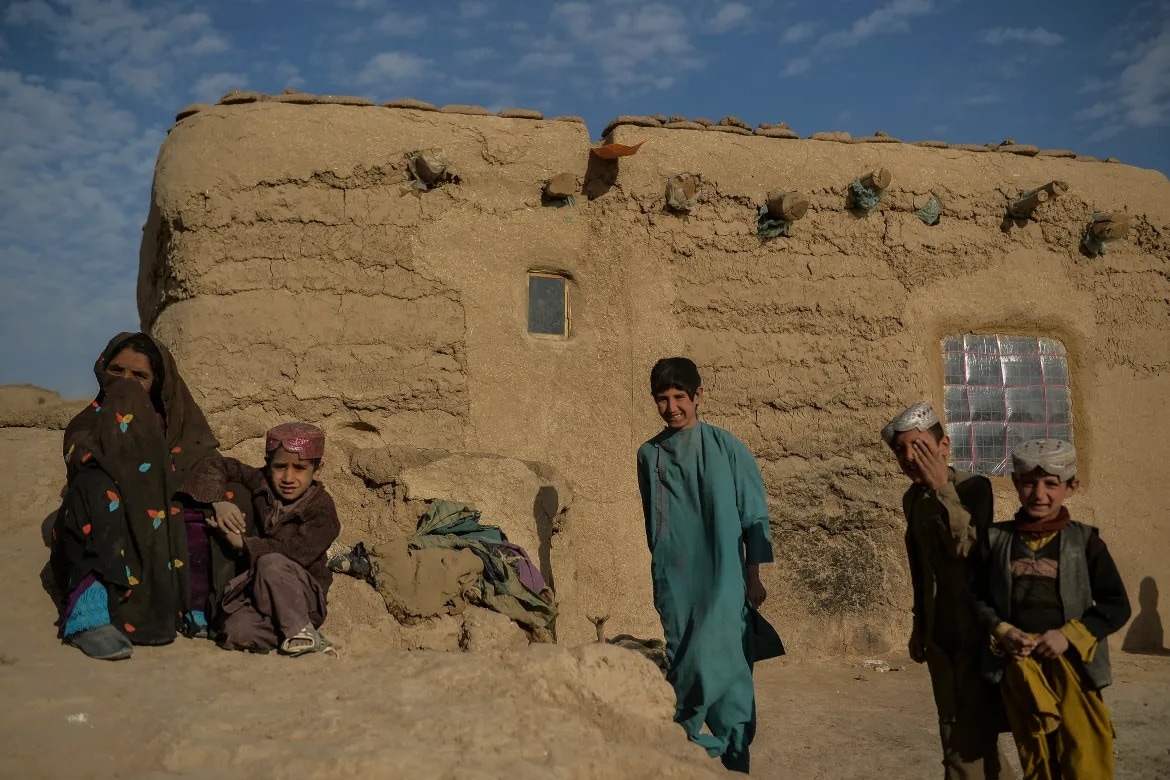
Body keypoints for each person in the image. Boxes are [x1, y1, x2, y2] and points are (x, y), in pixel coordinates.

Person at [635, 357, 772, 774]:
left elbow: (754, 515)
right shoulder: (648, 455)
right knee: (684, 655)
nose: (672, 407)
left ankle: (734, 748)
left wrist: (753, 576)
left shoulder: (726, 447)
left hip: (725, 574)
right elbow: (654, 521)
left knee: (726, 660)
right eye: (662, 399)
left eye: (680, 397)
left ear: (698, 396)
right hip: (675, 577)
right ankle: (687, 745)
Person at [50, 332, 222, 660]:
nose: (126, 383)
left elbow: (204, 462)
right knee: (96, 488)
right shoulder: (86, 424)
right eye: (117, 370)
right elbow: (85, 461)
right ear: (103, 370)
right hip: (109, 518)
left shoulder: (176, 426)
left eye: (139, 375)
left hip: (161, 521)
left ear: (156, 383)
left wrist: (217, 497)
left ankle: (198, 608)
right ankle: (90, 613)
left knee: (222, 500)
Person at [970, 439, 1131, 779]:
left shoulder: (1085, 542)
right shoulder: (995, 541)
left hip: (1075, 667)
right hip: (1021, 667)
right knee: (1037, 756)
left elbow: (1116, 605)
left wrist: (1068, 635)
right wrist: (1003, 631)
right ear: (1016, 483)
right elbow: (975, 598)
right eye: (1029, 482)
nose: (1039, 494)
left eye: (1050, 484)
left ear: (1071, 487)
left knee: (1084, 755)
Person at [882, 401, 1011, 779]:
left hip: (976, 635)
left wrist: (943, 489)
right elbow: (920, 569)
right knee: (962, 734)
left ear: (944, 446)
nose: (909, 457)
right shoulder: (913, 499)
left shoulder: (974, 487)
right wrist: (919, 625)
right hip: (941, 635)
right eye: (901, 449)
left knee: (964, 739)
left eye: (919, 446)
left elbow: (968, 548)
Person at [183, 422, 341, 656]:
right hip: (261, 593)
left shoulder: (321, 508)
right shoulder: (261, 482)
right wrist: (219, 501)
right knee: (235, 631)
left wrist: (243, 544)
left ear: (317, 469)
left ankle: (301, 629)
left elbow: (297, 552)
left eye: (299, 468)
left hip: (303, 598)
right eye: (280, 467)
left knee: (270, 562)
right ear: (268, 464)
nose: (288, 477)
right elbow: (214, 465)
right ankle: (304, 638)